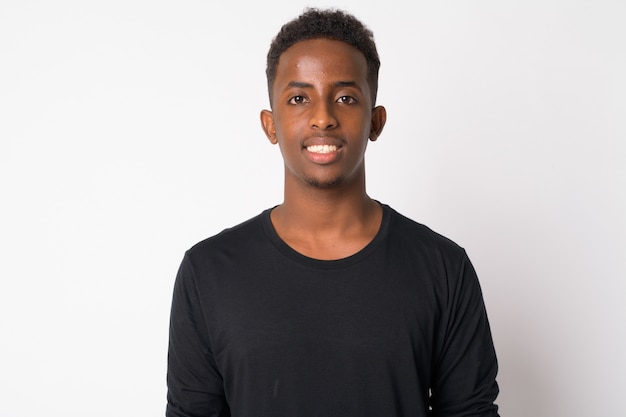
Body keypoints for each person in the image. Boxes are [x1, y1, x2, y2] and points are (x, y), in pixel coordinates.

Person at [166, 8, 500, 417]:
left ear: (375, 121)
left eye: (345, 97)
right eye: (299, 98)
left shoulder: (443, 268)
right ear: (270, 125)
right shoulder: (208, 272)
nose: (323, 117)